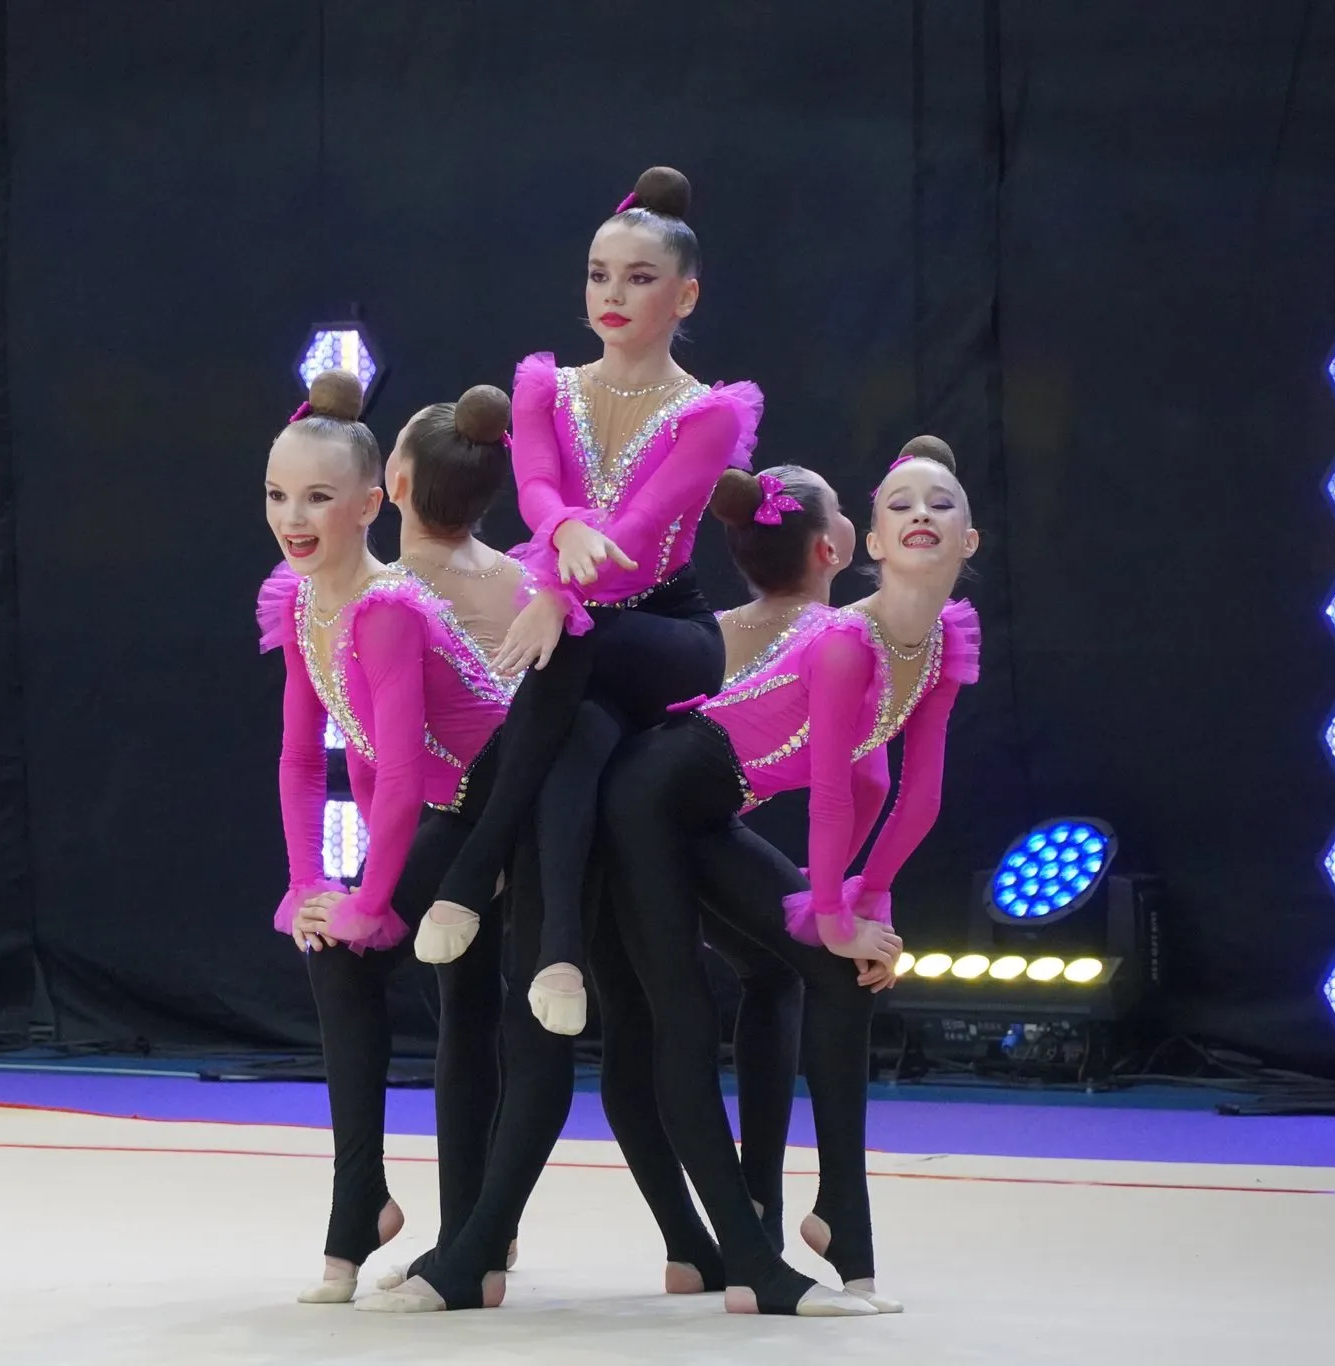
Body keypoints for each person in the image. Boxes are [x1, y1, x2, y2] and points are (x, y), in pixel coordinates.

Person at [597, 440, 982, 1313]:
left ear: (969, 540)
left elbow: (916, 794)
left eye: (941, 503)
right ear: (866, 543)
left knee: (842, 976)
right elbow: (832, 797)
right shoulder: (844, 639)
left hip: (703, 812)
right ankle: (751, 1266)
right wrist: (834, 910)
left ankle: (841, 1217)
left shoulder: (943, 641)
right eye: (900, 504)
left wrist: (869, 900)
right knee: (682, 1018)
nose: (921, 514)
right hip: (648, 798)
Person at [413, 164, 761, 1047]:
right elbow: (534, 486)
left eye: (640, 279)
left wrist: (556, 601)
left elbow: (637, 535)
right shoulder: (546, 387)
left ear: (685, 297)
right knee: (580, 728)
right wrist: (561, 548)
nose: (612, 294)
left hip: (669, 631)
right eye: (600, 275)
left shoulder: (709, 414)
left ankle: (477, 863)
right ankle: (559, 954)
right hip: (582, 630)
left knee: (573, 650)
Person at [259, 372, 528, 1303]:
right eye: (277, 495)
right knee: (390, 973)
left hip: (499, 808)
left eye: (317, 498)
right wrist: (308, 887)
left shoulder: (386, 610)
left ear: (373, 504)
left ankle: (434, 1231)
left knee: (417, 984)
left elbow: (409, 775)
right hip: (444, 812)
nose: (293, 518)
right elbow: (303, 758)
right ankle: (418, 1219)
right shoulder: (302, 602)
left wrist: (371, 903)